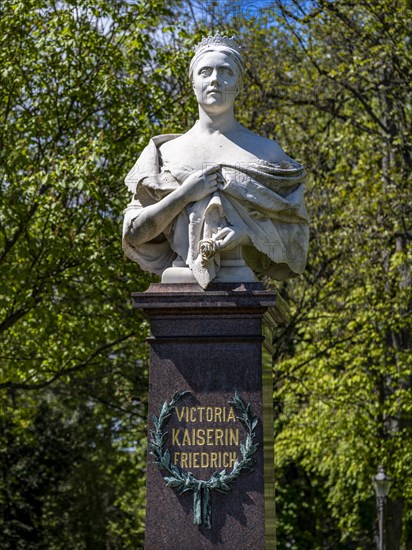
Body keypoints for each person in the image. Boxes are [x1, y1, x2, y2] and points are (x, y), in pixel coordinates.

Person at [123, 33, 309, 288]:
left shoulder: (268, 155)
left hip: (242, 286)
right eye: (205, 72)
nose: (214, 80)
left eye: (225, 72)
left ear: (239, 84)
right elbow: (133, 233)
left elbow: (297, 237)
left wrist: (249, 235)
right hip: (178, 280)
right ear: (193, 82)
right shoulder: (164, 154)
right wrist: (184, 195)